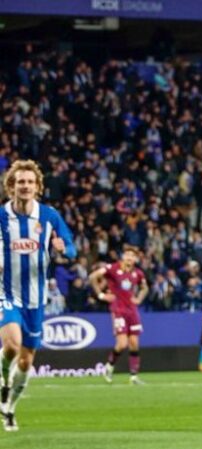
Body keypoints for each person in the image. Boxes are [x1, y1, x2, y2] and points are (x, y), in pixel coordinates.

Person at [0, 159, 76, 432]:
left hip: (36, 298)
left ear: (37, 186)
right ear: (11, 185)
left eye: (30, 182)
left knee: (26, 360)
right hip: (7, 292)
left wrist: (62, 248)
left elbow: (71, 248)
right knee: (11, 345)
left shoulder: (49, 216)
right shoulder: (1, 216)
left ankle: (9, 408)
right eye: (20, 181)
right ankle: (2, 381)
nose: (25, 186)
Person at [89, 245, 149, 385]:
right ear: (123, 256)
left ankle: (133, 377)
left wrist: (139, 298)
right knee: (122, 344)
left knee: (134, 343)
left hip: (132, 311)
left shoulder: (138, 273)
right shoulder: (112, 268)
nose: (129, 257)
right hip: (118, 310)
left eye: (132, 256)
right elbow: (93, 277)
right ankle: (109, 367)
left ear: (135, 259)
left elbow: (145, 287)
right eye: (127, 254)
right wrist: (100, 295)